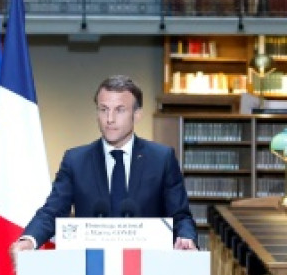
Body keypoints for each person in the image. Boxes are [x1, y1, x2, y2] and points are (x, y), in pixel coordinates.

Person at [12, 74, 198, 255]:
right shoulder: (75, 160)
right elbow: (52, 211)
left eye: (119, 110)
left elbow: (181, 216)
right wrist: (29, 239)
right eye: (103, 109)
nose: (110, 119)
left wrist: (186, 237)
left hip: (146, 271)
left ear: (137, 114)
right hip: (92, 271)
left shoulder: (162, 158)